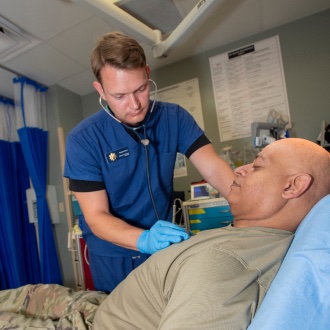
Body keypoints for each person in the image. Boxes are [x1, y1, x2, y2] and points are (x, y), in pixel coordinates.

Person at [92, 138, 330, 329]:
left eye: (256, 166)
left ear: (293, 186)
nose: (240, 170)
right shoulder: (244, 236)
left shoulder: (225, 265)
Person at [64, 32, 236, 293]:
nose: (134, 105)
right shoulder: (84, 139)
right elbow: (96, 216)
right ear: (100, 90)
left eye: (141, 89)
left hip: (162, 249)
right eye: (120, 95)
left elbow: (213, 168)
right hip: (113, 256)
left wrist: (248, 203)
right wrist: (144, 239)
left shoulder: (174, 118)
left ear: (147, 72)